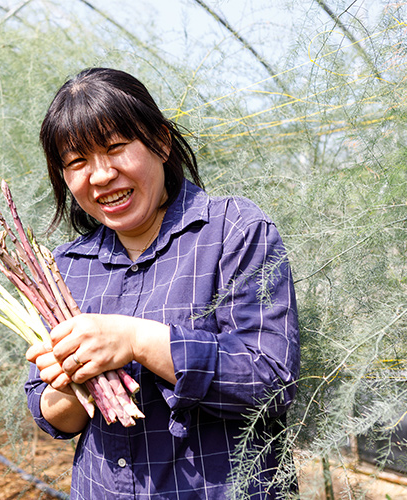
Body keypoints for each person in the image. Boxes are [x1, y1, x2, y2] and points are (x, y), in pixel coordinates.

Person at [24, 67, 300, 499]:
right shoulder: (62, 269)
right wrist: (69, 383)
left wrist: (138, 341)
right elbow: (56, 418)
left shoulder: (234, 231)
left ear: (161, 141)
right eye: (77, 162)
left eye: (116, 148)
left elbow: (268, 380)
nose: (99, 175)